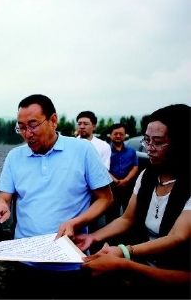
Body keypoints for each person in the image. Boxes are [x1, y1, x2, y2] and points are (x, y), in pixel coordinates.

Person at [0, 94, 113, 299]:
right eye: (21, 127)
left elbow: (106, 198)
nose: (27, 133)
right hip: (26, 260)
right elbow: (5, 197)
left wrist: (76, 222)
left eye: (33, 125)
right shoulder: (15, 157)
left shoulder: (82, 150)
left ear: (53, 120)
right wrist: (1, 205)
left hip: (71, 262)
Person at [75, 104, 191, 299]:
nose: (150, 149)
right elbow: (126, 219)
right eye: (147, 141)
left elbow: (177, 237)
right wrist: (92, 237)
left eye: (158, 142)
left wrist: (124, 253)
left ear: (181, 144)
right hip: (143, 271)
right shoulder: (148, 175)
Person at [107, 123, 139, 225]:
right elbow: (102, 167)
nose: (118, 136)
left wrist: (126, 180)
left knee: (129, 212)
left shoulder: (132, 151)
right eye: (115, 133)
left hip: (128, 186)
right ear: (110, 135)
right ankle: (110, 238)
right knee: (111, 214)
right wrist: (115, 180)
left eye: (121, 134)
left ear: (125, 135)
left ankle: (127, 238)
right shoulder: (105, 150)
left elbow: (135, 166)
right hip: (111, 187)